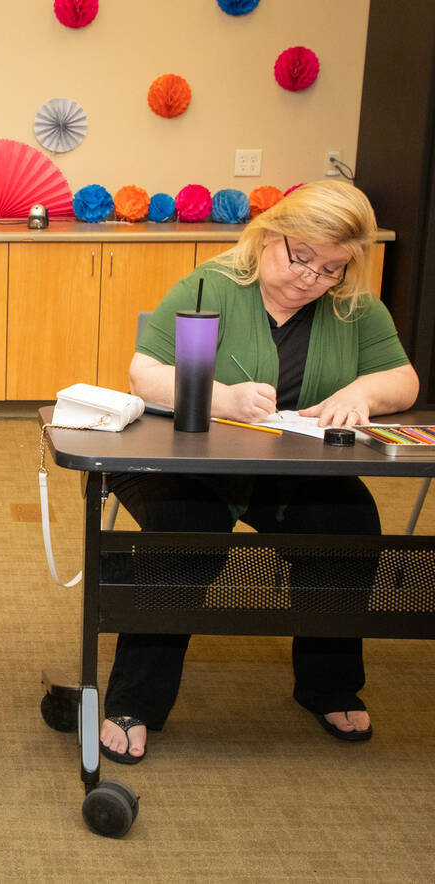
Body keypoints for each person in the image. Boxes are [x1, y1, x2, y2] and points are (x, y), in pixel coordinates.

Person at [100, 180, 419, 764]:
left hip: (292, 469)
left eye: (330, 268)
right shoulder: (210, 285)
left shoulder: (353, 305)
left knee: (347, 523)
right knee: (186, 533)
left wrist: (361, 392)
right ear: (270, 234)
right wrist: (219, 397)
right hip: (186, 462)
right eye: (302, 258)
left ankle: (328, 684)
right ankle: (136, 700)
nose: (312, 278)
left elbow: (404, 379)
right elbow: (144, 374)